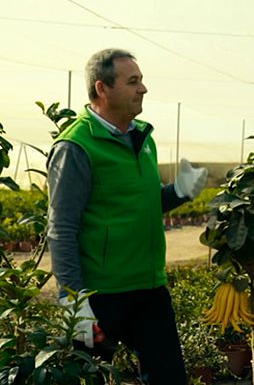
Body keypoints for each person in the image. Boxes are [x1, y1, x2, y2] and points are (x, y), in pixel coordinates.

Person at [46, 48, 207, 384]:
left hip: (149, 288)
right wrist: (73, 302)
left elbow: (142, 204)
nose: (143, 89)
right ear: (103, 89)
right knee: (88, 377)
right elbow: (61, 228)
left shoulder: (143, 138)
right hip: (101, 297)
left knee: (170, 378)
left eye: (142, 81)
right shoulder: (76, 146)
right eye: (133, 81)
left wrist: (180, 191)